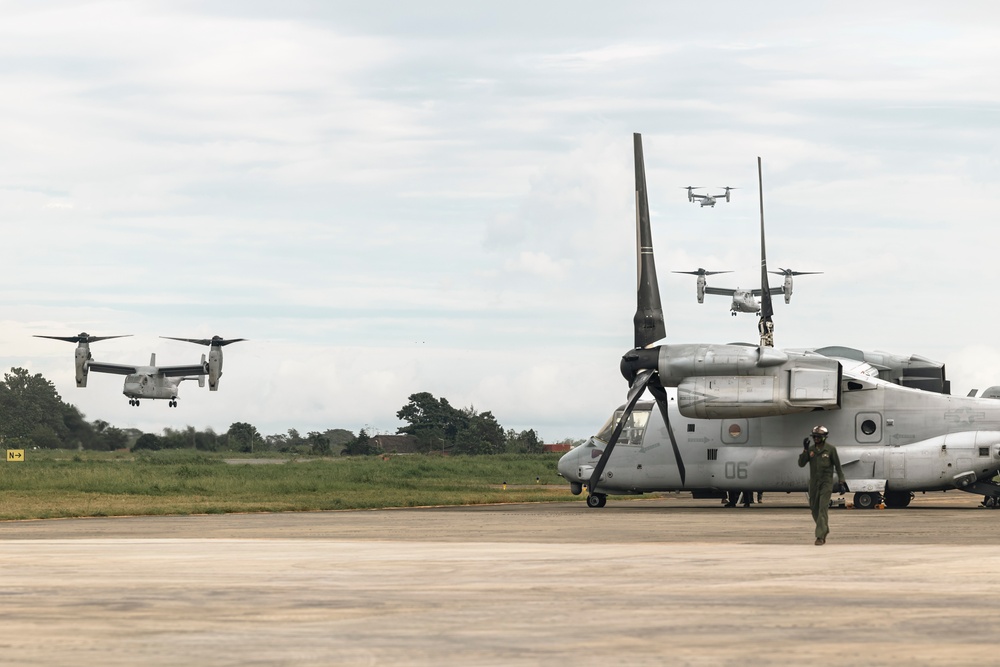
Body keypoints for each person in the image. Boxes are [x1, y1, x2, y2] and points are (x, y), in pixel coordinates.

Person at [798, 425, 847, 545]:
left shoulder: (830, 450)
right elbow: (801, 464)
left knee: (822, 509)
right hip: (814, 483)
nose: (816, 439)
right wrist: (804, 450)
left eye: (818, 437)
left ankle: (820, 536)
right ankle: (824, 529)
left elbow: (838, 466)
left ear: (824, 437)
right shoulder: (811, 450)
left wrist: (842, 482)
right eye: (814, 436)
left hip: (826, 482)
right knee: (814, 509)